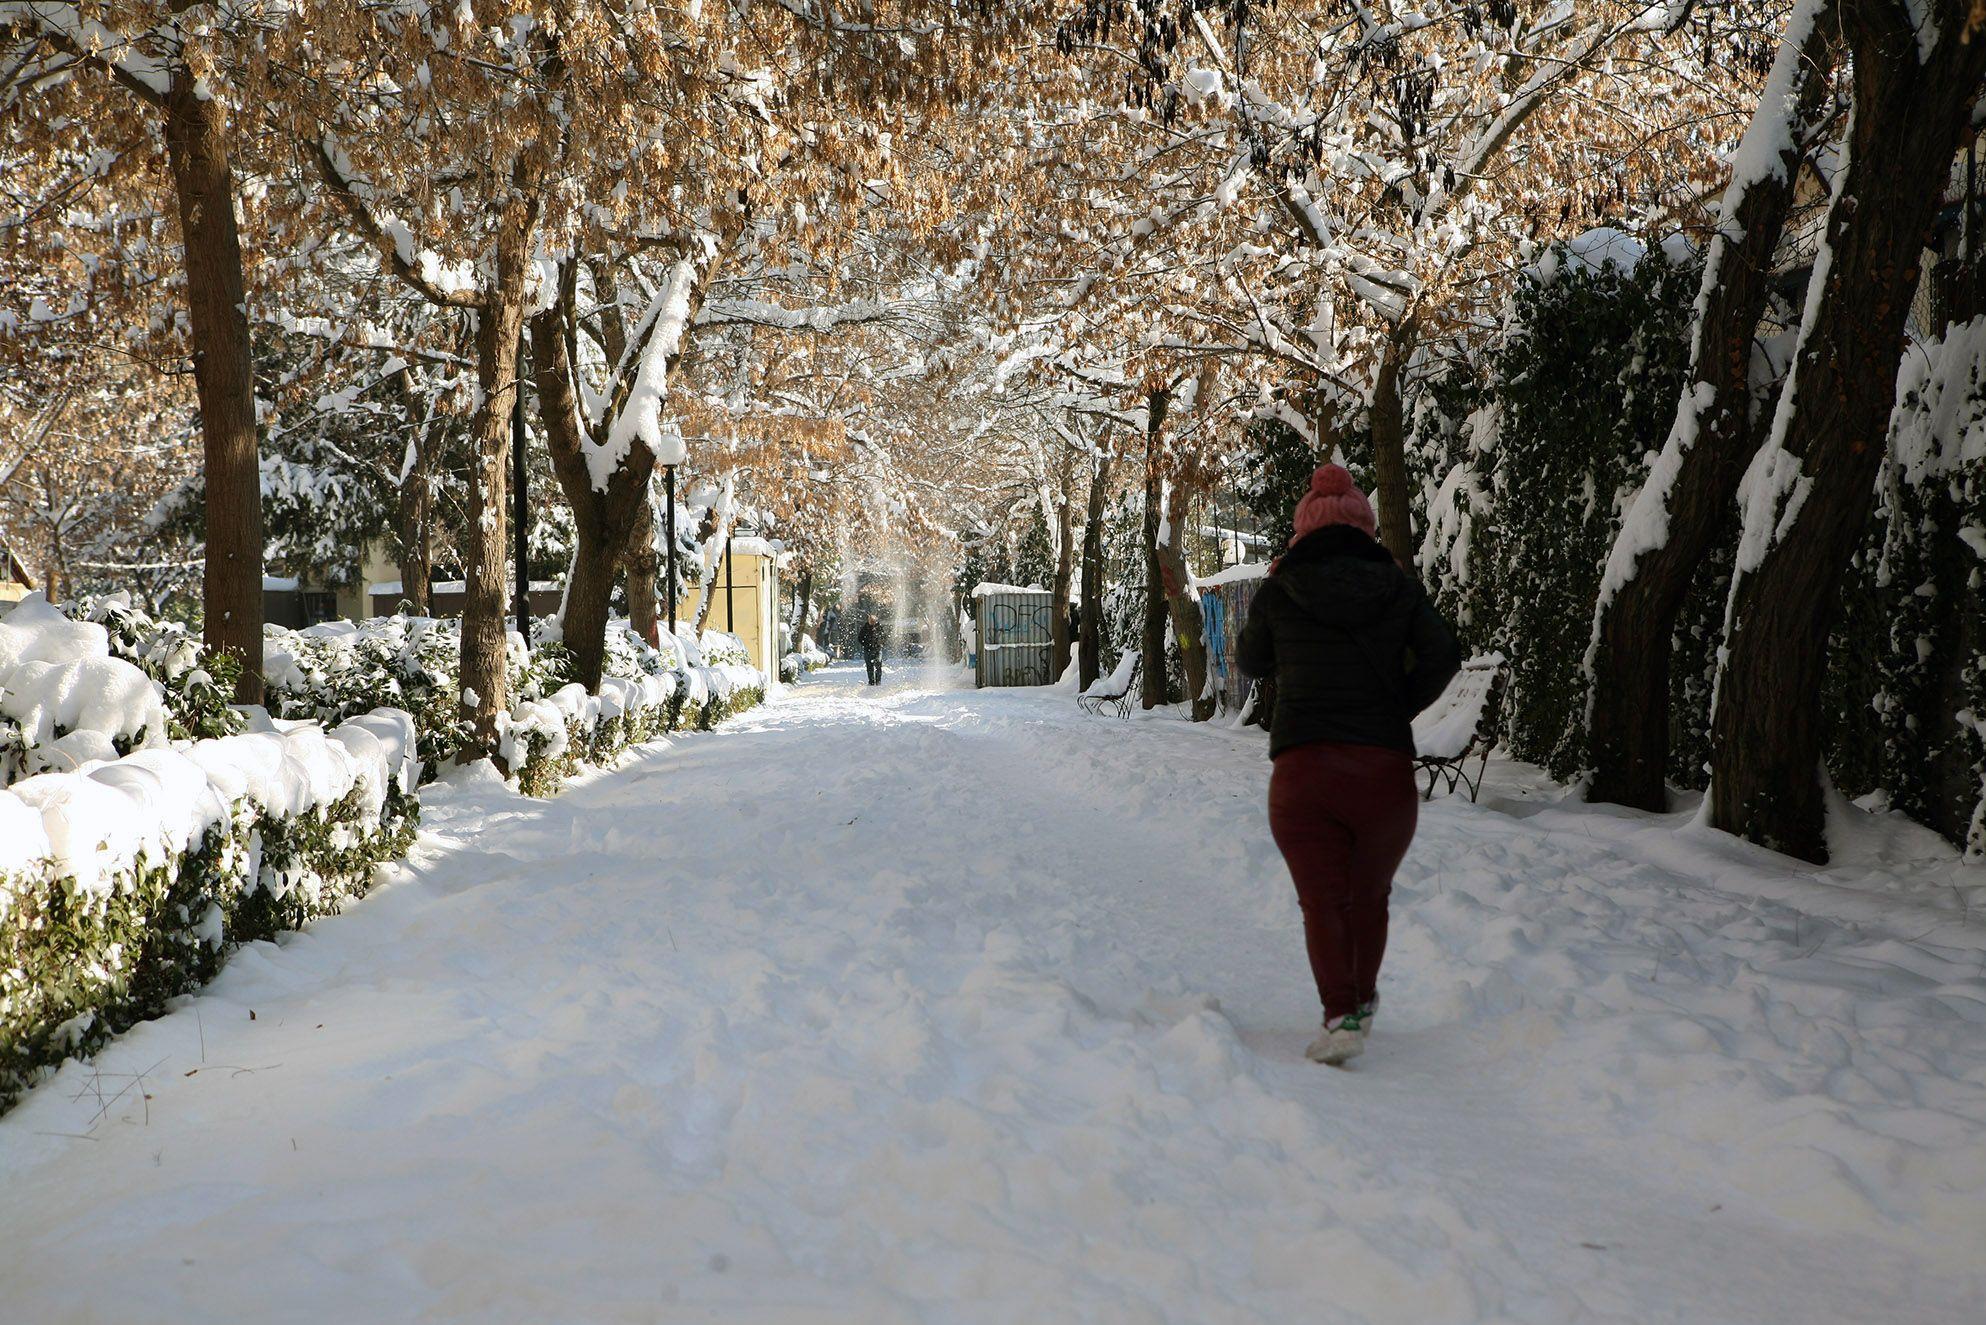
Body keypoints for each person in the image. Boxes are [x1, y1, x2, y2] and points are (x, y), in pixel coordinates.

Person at [1238, 463, 1460, 1066]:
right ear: (1364, 527)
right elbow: (1444, 654)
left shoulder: (1282, 588)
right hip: (1383, 771)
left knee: (1322, 898)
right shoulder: (1398, 587)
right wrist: (1395, 707)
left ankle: (1341, 1014)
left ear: (1302, 532)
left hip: (1303, 769)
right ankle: (1358, 1000)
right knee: (1369, 895)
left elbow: (1249, 660)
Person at [858, 613, 883, 685]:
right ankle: (871, 681)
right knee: (869, 666)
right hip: (868, 649)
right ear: (868, 621)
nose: (872, 623)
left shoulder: (879, 627)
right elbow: (860, 638)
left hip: (878, 649)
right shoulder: (865, 628)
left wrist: (880, 643)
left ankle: (878, 681)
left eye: (874, 622)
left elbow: (884, 636)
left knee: (878, 665)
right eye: (871, 621)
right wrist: (865, 644)